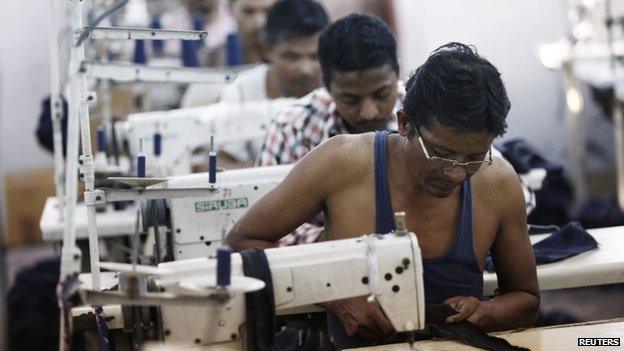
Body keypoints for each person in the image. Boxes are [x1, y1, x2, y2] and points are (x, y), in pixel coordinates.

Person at [227, 43, 540, 348]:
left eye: (474, 157)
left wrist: (486, 312)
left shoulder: (498, 183)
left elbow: (526, 299)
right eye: (441, 153)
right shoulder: (340, 164)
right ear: (404, 124)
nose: (456, 173)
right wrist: (334, 295)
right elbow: (242, 243)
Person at [257, 13, 404, 245]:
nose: (368, 112)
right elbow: (264, 228)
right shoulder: (291, 129)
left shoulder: (421, 118)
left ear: (397, 73)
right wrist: (347, 236)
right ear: (325, 83)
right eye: (350, 98)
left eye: (381, 94)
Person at [219, 0, 330, 103]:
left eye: (315, 57)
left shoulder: (338, 92)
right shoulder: (239, 93)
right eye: (292, 57)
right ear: (269, 50)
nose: (305, 69)